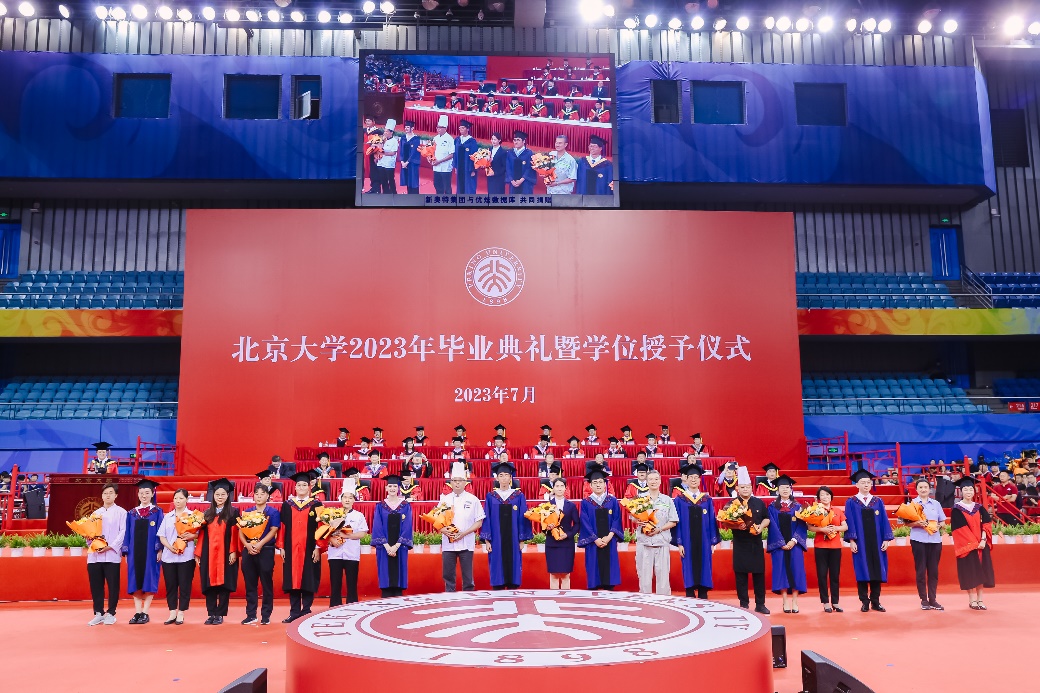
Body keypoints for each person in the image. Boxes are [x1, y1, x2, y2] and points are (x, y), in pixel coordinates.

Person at [844, 469, 894, 612]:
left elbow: (884, 520)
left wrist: (886, 539)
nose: (866, 485)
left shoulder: (878, 501)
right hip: (860, 542)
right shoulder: (851, 502)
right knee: (862, 570)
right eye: (863, 482)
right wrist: (852, 540)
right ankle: (864, 601)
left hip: (877, 542)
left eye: (868, 482)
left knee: (877, 570)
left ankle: (876, 601)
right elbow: (850, 521)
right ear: (857, 485)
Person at [278, 471, 323, 622]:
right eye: (299, 485)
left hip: (309, 548)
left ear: (309, 487)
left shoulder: (316, 505)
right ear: (295, 487)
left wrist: (318, 547)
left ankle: (306, 611)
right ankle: (294, 612)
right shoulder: (287, 505)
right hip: (291, 548)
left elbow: (321, 527)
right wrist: (282, 546)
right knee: (293, 580)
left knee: (308, 577)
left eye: (304, 485)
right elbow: (282, 527)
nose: (302, 487)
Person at [481, 462, 533, 589]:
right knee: (497, 563)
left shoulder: (518, 496)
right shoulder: (491, 497)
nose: (504, 478)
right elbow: (487, 518)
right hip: (496, 539)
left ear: (511, 477)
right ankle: (498, 587)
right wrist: (487, 540)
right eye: (501, 475)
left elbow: (523, 517)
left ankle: (513, 586)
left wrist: (522, 539)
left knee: (513, 566)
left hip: (514, 539)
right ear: (497, 478)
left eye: (506, 475)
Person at [195, 478, 240, 625]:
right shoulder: (207, 513)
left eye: (223, 494)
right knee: (209, 584)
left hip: (226, 553)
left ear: (228, 496)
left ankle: (220, 614)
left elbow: (235, 533)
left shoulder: (233, 512)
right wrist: (198, 553)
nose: (220, 497)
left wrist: (233, 551)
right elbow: (202, 535)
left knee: (224, 585)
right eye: (217, 494)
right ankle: (211, 613)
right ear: (213, 495)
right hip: (209, 554)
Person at [672, 463, 719, 599]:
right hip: (687, 540)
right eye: (690, 477)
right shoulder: (680, 500)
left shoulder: (706, 500)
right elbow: (677, 522)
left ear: (700, 480)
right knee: (688, 564)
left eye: (696, 477)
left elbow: (712, 520)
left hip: (704, 540)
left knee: (705, 564)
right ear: (685, 479)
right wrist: (679, 542)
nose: (693, 479)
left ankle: (703, 593)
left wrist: (712, 542)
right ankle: (690, 593)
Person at [440, 461, 485, 592]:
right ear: (451, 482)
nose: (457, 483)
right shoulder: (444, 500)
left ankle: (469, 597)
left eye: (460, 480)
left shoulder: (473, 499)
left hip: (466, 542)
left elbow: (479, 522)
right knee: (448, 575)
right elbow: (437, 520)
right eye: (454, 480)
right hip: (448, 543)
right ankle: (449, 596)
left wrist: (464, 533)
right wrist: (444, 530)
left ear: (465, 482)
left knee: (468, 577)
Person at [730, 467, 771, 614]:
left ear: (751, 488)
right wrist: (736, 525)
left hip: (755, 543)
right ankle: (744, 604)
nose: (745, 489)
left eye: (747, 487)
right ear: (737, 488)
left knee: (759, 574)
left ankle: (760, 604)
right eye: (742, 487)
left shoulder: (759, 503)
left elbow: (767, 518)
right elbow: (725, 522)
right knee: (740, 575)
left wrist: (761, 526)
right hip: (740, 544)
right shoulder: (732, 504)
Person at [123, 478, 163, 624]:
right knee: (135, 579)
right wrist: (126, 551)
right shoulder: (132, 513)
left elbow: (161, 531)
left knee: (149, 578)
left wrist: (159, 549)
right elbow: (127, 533)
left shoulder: (157, 512)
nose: (144, 495)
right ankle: (137, 612)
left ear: (152, 494)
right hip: (134, 552)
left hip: (151, 552)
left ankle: (145, 612)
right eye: (141, 492)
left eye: (147, 492)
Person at [86, 481, 126, 625]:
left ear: (116, 495)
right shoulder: (95, 513)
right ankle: (98, 612)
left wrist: (110, 546)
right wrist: (91, 541)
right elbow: (89, 532)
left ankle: (111, 613)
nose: (107, 496)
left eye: (110, 493)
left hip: (112, 555)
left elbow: (123, 532)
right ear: (102, 496)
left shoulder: (121, 512)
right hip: (95, 555)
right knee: (96, 585)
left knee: (113, 585)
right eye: (105, 493)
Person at [951, 478, 995, 610]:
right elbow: (960, 529)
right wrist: (974, 543)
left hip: (981, 545)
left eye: (971, 489)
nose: (968, 492)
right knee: (969, 572)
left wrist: (983, 540)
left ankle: (980, 599)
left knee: (981, 571)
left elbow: (986, 524)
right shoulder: (957, 509)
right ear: (961, 491)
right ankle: (972, 600)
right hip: (968, 547)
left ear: (974, 491)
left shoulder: (979, 507)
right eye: (965, 489)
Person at [239, 483, 280, 625]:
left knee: (266, 583)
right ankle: (251, 615)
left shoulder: (273, 512)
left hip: (266, 550)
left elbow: (274, 530)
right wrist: (247, 545)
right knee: (250, 584)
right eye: (256, 494)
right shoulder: (248, 512)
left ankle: (266, 615)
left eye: (262, 494)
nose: (259, 496)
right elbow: (241, 531)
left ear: (267, 496)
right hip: (249, 550)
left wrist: (260, 544)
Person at [578, 465, 624, 590]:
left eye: (600, 482)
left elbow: (617, 519)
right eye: (595, 482)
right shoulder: (586, 503)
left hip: (609, 540)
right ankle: (595, 584)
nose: (598, 485)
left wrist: (609, 537)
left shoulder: (612, 501)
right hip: (594, 542)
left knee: (609, 570)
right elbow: (585, 522)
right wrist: (595, 539)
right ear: (590, 485)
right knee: (593, 565)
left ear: (605, 484)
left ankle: (609, 585)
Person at [766, 475, 808, 613]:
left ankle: (795, 602)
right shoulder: (772, 507)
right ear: (777, 489)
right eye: (782, 487)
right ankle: (785, 601)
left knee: (796, 570)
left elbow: (802, 526)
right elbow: (772, 526)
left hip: (795, 545)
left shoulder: (798, 507)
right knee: (781, 571)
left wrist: (794, 540)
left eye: (787, 487)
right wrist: (781, 542)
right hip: (779, 546)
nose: (785, 490)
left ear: (791, 489)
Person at [634, 470, 679, 595]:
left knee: (663, 579)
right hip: (644, 542)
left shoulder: (667, 500)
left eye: (656, 479)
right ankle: (645, 603)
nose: (653, 481)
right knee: (644, 578)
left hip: (661, 542)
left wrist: (659, 529)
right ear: (646, 482)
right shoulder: (640, 499)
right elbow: (633, 518)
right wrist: (639, 521)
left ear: (660, 481)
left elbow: (673, 521)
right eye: (650, 479)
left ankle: (663, 603)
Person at [905, 477, 947, 611]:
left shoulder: (936, 504)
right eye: (920, 487)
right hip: (918, 541)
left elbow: (943, 521)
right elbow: (907, 523)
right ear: (916, 490)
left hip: (935, 541)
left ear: (930, 489)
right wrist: (918, 523)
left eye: (925, 487)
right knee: (921, 570)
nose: (923, 489)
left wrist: (938, 526)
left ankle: (933, 599)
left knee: (933, 571)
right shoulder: (912, 504)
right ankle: (924, 599)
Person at [158, 488, 197, 625]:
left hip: (186, 556)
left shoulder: (192, 516)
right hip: (169, 556)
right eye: (175, 498)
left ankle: (181, 612)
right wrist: (169, 547)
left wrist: (192, 536)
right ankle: (172, 612)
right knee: (171, 585)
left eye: (181, 498)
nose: (178, 501)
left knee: (185, 585)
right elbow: (162, 536)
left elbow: (198, 534)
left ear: (187, 499)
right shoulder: (167, 517)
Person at [327, 481, 369, 606]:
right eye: (345, 497)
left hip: (352, 553)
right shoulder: (332, 514)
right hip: (335, 553)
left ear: (354, 500)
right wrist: (331, 539)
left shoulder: (358, 515)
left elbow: (363, 533)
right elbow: (325, 532)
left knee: (352, 583)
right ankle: (334, 606)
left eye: (350, 498)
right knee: (335, 583)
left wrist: (347, 536)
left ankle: (352, 606)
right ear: (341, 499)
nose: (347, 500)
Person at [373, 475, 412, 597]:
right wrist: (387, 546)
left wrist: (396, 546)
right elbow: (377, 526)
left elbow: (407, 526)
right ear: (386, 488)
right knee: (385, 574)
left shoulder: (405, 506)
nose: (392, 488)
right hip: (385, 547)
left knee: (398, 577)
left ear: (398, 488)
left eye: (395, 486)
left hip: (399, 547)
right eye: (390, 486)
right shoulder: (380, 506)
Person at [812, 486, 847, 613]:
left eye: (827, 495)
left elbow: (845, 526)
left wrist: (835, 528)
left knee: (835, 575)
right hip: (821, 546)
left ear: (831, 496)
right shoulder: (815, 511)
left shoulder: (837, 510)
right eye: (822, 495)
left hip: (835, 546)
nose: (825, 497)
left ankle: (835, 602)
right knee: (822, 575)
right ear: (818, 498)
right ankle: (825, 602)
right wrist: (822, 529)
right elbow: (809, 527)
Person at [545, 477, 579, 588]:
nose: (559, 488)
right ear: (553, 488)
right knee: (553, 574)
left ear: (565, 488)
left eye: (562, 486)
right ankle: (553, 596)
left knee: (565, 574)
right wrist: (548, 527)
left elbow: (577, 524)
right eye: (557, 486)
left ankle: (565, 597)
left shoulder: (571, 506)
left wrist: (568, 534)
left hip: (566, 544)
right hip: (552, 543)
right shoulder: (547, 505)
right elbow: (542, 525)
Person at [430, 114, 455, 194]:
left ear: (445, 128)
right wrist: (430, 159)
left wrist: (440, 161)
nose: (438, 129)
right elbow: (431, 151)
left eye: (440, 128)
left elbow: (452, 154)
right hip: (436, 166)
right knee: (437, 185)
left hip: (445, 167)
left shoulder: (450, 139)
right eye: (438, 127)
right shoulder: (435, 138)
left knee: (447, 187)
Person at [454, 119, 479, 194]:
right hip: (460, 167)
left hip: (468, 169)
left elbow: (475, 156)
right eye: (460, 128)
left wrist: (473, 170)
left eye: (463, 128)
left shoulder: (472, 141)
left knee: (469, 187)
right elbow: (455, 154)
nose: (460, 129)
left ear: (467, 129)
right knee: (460, 186)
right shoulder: (457, 140)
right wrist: (455, 166)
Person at [375, 119, 399, 194]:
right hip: (381, 162)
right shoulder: (382, 139)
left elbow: (393, 153)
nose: (385, 133)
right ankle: (385, 194)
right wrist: (377, 156)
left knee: (391, 180)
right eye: (384, 131)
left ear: (391, 132)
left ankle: (394, 194)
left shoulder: (394, 141)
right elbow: (378, 149)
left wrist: (383, 153)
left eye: (386, 131)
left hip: (389, 164)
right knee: (383, 180)